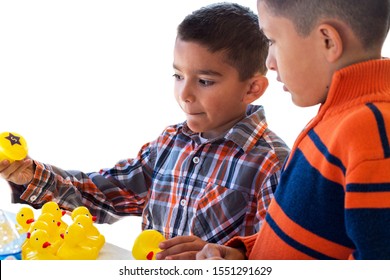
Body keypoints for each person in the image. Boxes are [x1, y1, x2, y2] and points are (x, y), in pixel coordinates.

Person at [0, 3, 290, 260]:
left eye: (204, 81)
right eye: (178, 76)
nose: (184, 94)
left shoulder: (271, 163)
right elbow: (101, 195)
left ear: (252, 88)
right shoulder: (169, 144)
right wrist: (31, 175)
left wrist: (233, 257)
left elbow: (279, 255)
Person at [197, 0, 390, 260]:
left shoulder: (372, 132)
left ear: (328, 42)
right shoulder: (338, 115)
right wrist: (246, 255)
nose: (270, 62)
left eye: (272, 41)